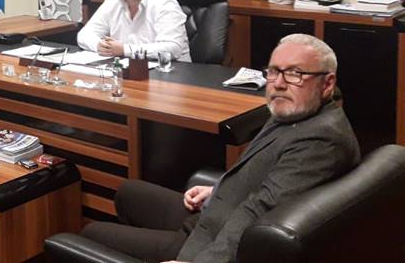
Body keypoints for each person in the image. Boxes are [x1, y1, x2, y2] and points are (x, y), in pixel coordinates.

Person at [78, 34, 360, 263]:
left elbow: (260, 212)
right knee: (128, 192)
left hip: (207, 243)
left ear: (327, 83)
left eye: (295, 74)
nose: (279, 84)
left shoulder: (321, 140)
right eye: (274, 71)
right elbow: (267, 174)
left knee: (92, 232)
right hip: (216, 212)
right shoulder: (300, 111)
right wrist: (217, 189)